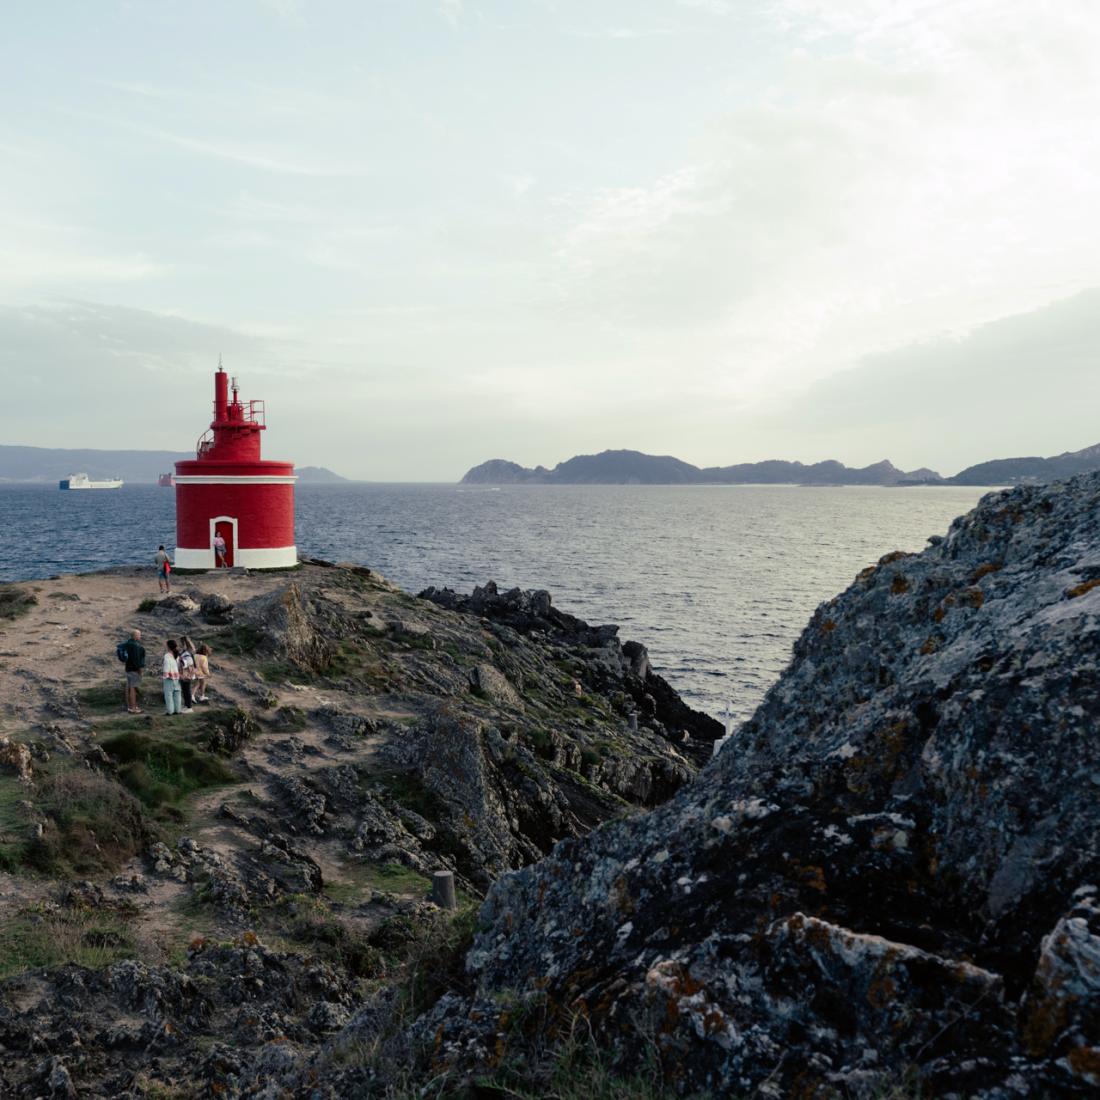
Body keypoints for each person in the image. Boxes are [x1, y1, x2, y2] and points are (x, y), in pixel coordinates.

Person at [120, 629, 146, 714]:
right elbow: (136, 659)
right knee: (133, 688)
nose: (140, 636)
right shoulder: (135, 645)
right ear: (135, 636)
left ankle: (129, 706)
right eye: (139, 635)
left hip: (128, 668)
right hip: (134, 670)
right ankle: (133, 707)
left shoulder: (127, 644)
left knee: (129, 686)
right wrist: (140, 670)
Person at [162, 638, 182, 715]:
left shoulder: (167, 655)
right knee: (177, 694)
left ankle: (170, 711)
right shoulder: (176, 655)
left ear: (168, 646)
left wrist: (165, 675)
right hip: (177, 676)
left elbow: (166, 665)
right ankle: (178, 710)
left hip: (169, 677)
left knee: (168, 694)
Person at [178, 635, 197, 713]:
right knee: (185, 690)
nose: (181, 644)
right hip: (184, 674)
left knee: (186, 690)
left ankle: (189, 707)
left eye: (182, 643)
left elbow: (188, 663)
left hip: (186, 674)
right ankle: (186, 706)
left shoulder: (187, 653)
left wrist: (181, 662)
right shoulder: (185, 651)